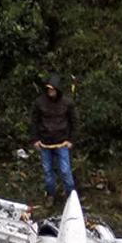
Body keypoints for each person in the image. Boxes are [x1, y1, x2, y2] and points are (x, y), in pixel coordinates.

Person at [30, 75, 77, 204]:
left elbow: (74, 122)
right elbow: (34, 122)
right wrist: (35, 140)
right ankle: (50, 195)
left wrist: (71, 140)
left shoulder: (67, 103)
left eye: (52, 89)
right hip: (45, 143)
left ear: (57, 89)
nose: (50, 92)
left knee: (65, 171)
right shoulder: (39, 103)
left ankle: (71, 198)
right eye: (48, 89)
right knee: (47, 172)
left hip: (61, 142)